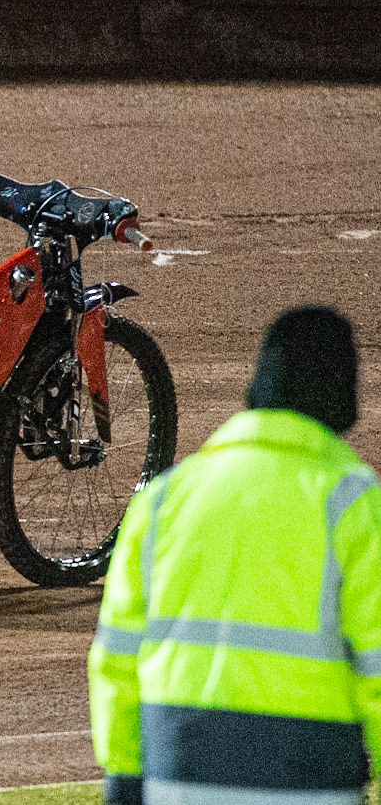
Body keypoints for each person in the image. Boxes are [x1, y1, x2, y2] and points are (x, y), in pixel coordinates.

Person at [89, 306, 381, 805]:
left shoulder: (164, 497)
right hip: (309, 779)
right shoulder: (353, 502)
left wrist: (125, 777)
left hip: (176, 774)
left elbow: (116, 658)